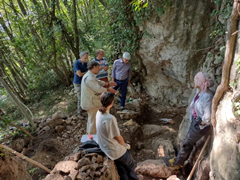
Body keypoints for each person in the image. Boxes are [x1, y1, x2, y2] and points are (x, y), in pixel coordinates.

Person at [164, 72, 214, 168]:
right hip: (195, 121)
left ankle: (178, 163)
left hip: (200, 125)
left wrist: (200, 124)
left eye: (196, 79)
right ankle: (182, 160)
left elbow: (207, 117)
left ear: (200, 82)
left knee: (186, 143)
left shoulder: (207, 96)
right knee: (186, 142)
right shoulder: (199, 92)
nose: (194, 81)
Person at [96, 92, 139, 180]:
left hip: (105, 147)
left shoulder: (98, 113)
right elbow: (118, 137)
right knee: (131, 165)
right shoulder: (110, 118)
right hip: (113, 150)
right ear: (111, 103)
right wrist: (125, 147)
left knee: (121, 169)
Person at [81, 61, 116, 134]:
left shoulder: (90, 75)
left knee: (91, 119)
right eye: (98, 67)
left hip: (91, 101)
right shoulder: (89, 78)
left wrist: (108, 84)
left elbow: (98, 82)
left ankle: (91, 135)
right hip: (91, 103)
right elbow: (98, 88)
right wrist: (108, 89)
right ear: (94, 67)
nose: (99, 69)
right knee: (93, 120)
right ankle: (92, 138)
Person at [73, 51, 89, 119]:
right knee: (80, 98)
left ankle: (83, 108)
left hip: (84, 82)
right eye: (85, 58)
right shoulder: (76, 63)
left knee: (85, 96)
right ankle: (79, 113)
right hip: (78, 83)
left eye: (87, 58)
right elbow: (79, 74)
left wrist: (84, 73)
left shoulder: (85, 63)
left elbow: (88, 72)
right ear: (81, 57)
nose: (86, 59)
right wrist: (86, 72)